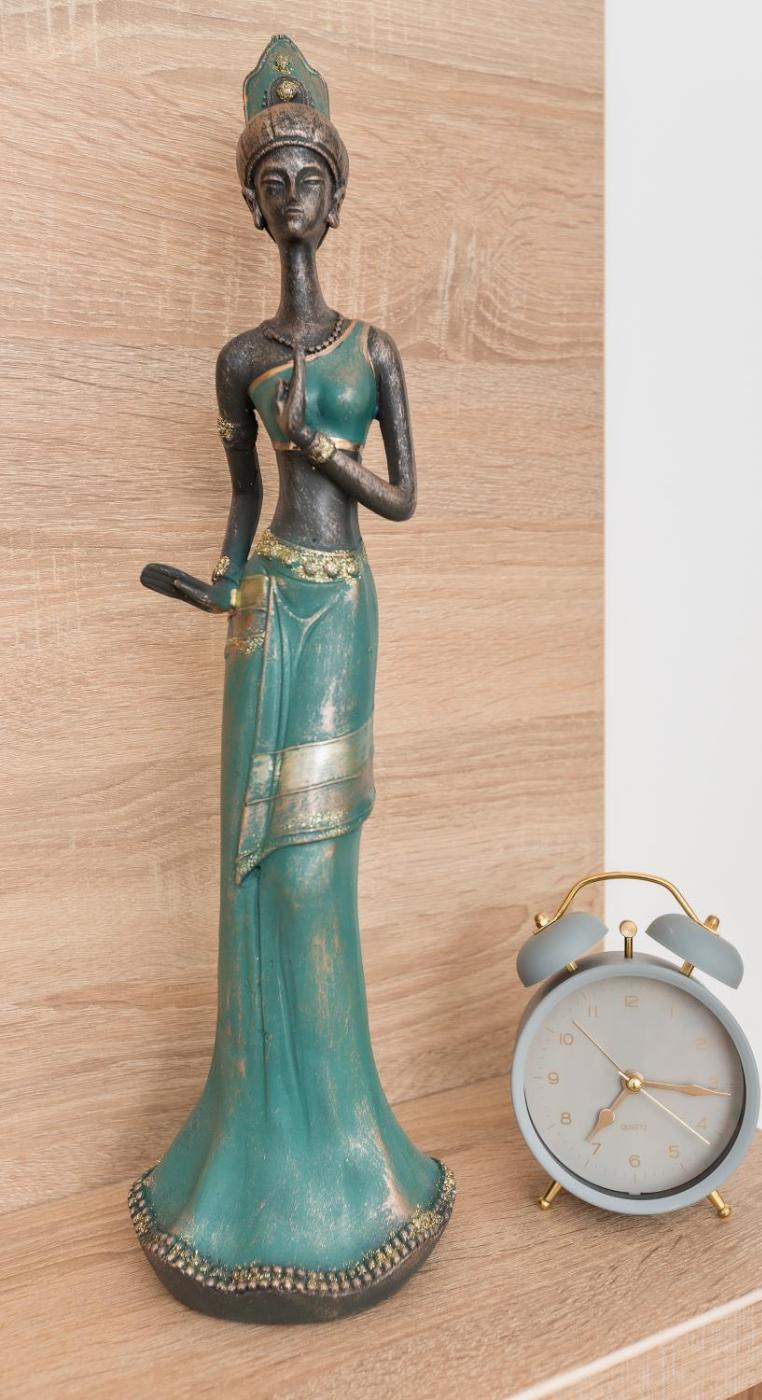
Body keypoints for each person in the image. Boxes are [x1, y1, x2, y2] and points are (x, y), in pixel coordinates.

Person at [134, 35, 454, 1323]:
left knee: (316, 868)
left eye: (308, 176)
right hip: (267, 611)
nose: (291, 197)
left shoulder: (373, 350)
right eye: (271, 182)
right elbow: (238, 509)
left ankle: (347, 1161)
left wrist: (324, 451)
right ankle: (251, 1166)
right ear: (254, 202)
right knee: (254, 876)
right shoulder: (238, 359)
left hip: (340, 609)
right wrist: (212, 585)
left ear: (336, 191)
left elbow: (405, 500)